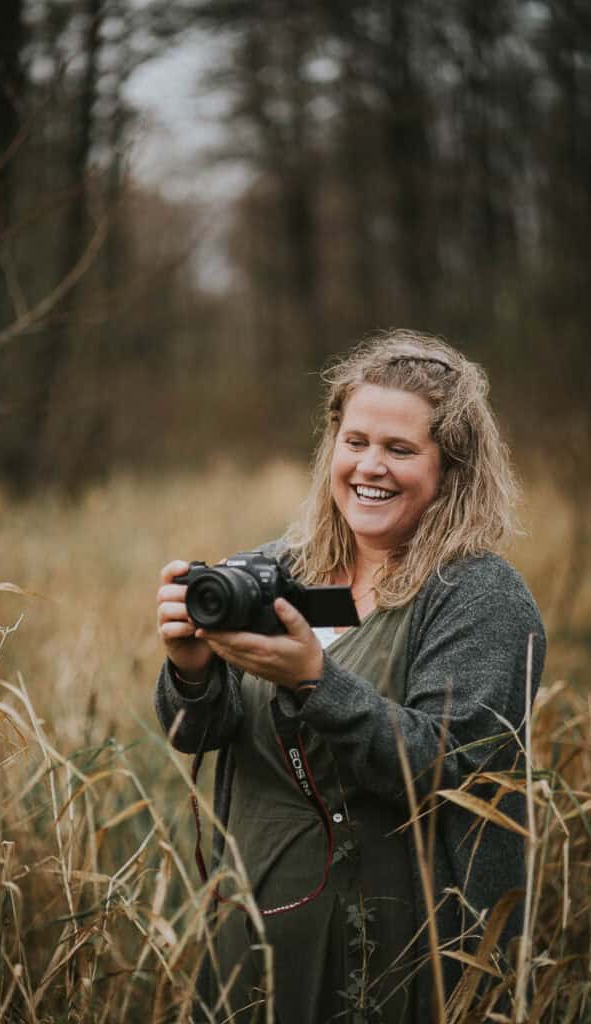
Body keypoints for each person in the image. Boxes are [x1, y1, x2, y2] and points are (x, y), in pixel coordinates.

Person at [154, 329, 546, 1024]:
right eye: (355, 441)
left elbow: (452, 770)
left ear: (450, 469)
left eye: (400, 449)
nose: (371, 466)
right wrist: (189, 670)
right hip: (253, 934)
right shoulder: (279, 568)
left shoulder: (477, 596)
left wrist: (314, 681)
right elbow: (201, 734)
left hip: (395, 951)